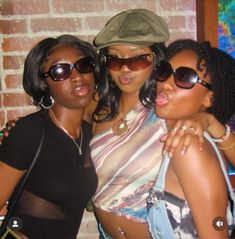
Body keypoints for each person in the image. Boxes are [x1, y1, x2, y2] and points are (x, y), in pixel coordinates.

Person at [88, 8, 235, 239]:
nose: (125, 68)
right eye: (115, 59)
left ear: (155, 59)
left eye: (137, 59)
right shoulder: (98, 106)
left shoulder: (172, 114)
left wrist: (210, 121)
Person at [0, 35, 98, 239]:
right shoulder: (31, 130)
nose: (77, 76)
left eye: (83, 64)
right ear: (44, 82)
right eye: (60, 71)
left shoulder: (93, 133)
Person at [147, 39, 235, 238]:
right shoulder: (188, 137)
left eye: (184, 77)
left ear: (209, 99)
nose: (166, 83)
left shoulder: (191, 147)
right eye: (164, 71)